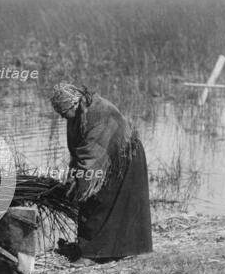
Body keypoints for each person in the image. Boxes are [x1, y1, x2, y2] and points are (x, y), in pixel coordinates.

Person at [50, 82, 152, 261]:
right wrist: (73, 176)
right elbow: (80, 151)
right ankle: (94, 248)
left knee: (105, 203)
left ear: (75, 103)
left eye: (64, 113)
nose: (63, 117)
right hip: (103, 158)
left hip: (124, 156)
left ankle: (99, 252)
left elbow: (92, 155)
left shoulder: (99, 114)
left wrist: (79, 184)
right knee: (95, 202)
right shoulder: (77, 115)